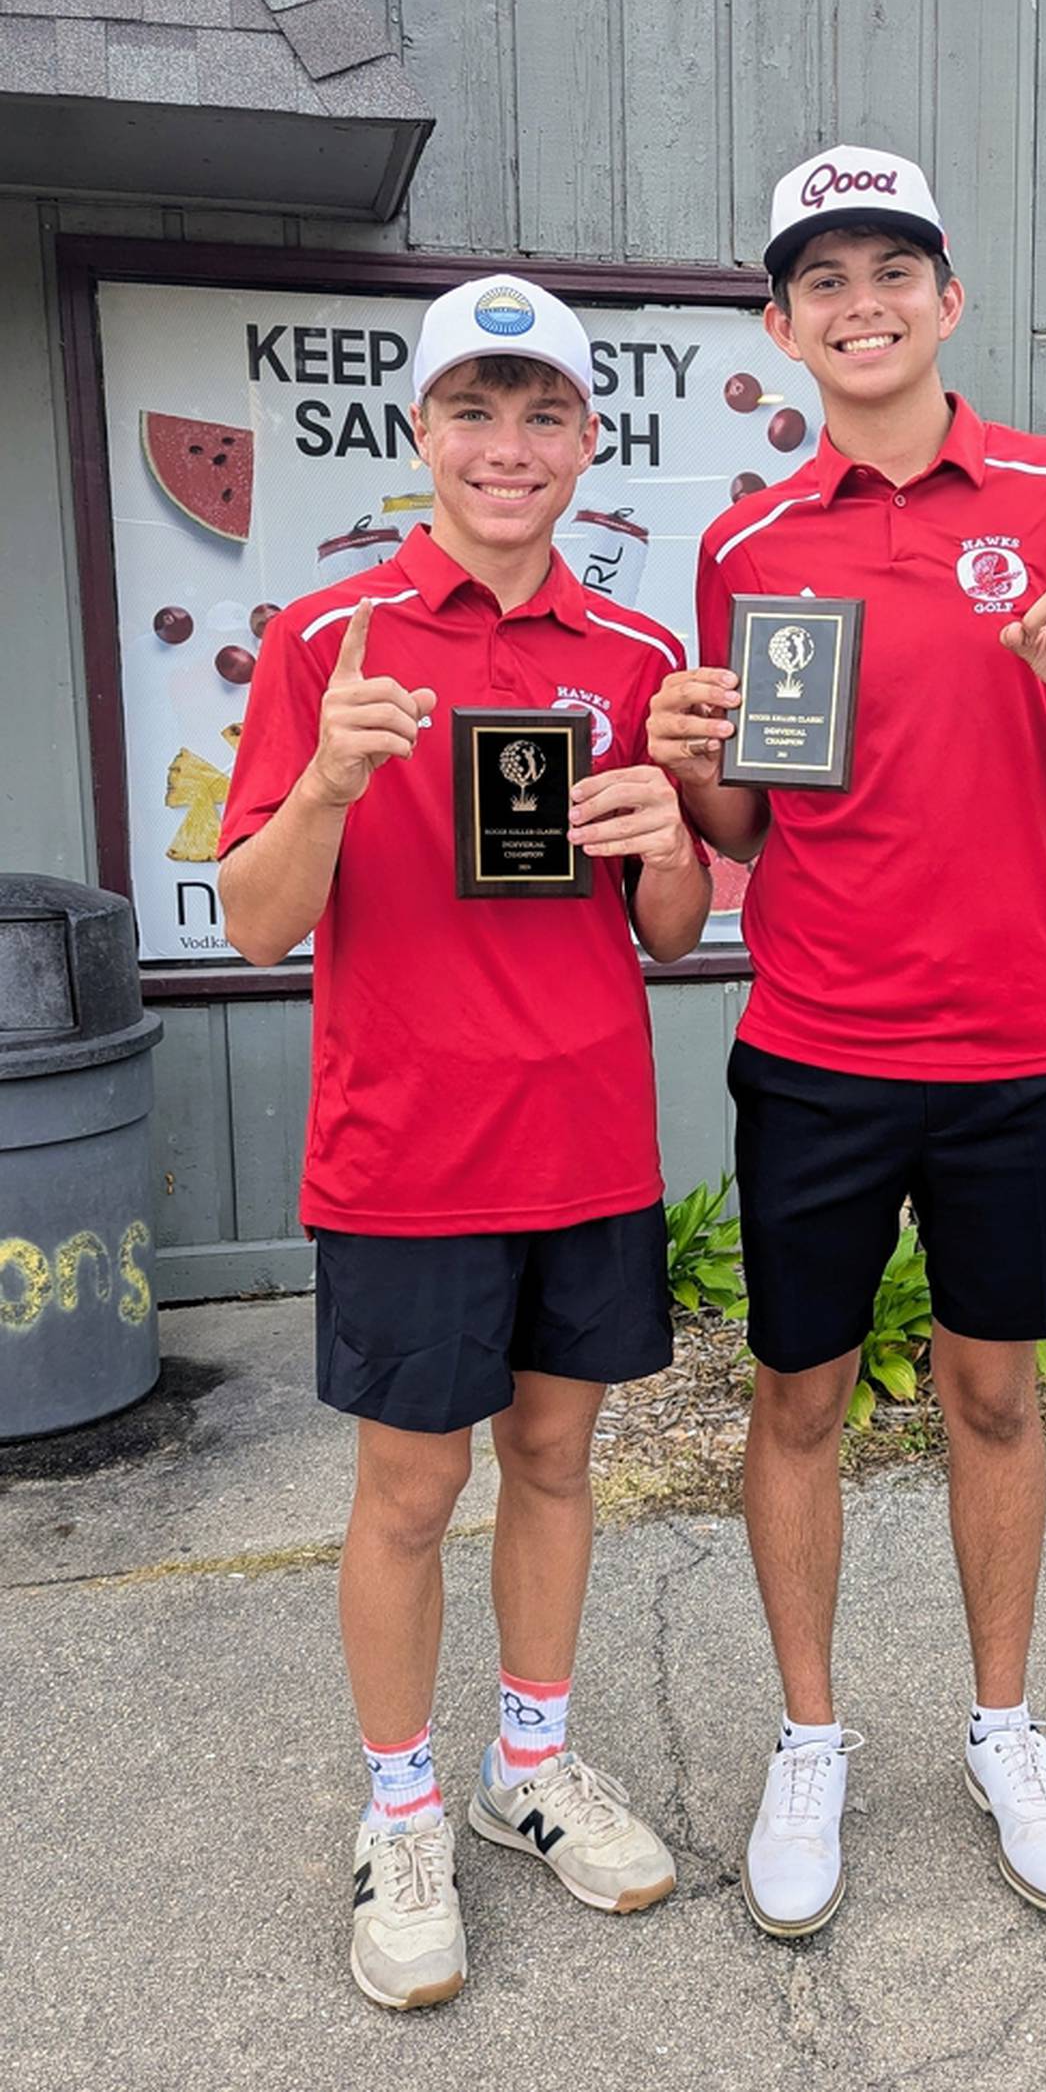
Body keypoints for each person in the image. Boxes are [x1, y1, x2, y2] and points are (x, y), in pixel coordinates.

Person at [649, 147, 1046, 1936]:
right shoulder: (747, 542)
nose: (863, 300)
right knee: (797, 1395)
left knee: (994, 1390)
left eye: (896, 266)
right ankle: (810, 1737)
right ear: (783, 322)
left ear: (949, 297)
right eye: (825, 277)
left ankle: (1003, 1727)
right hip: (814, 1046)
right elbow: (744, 829)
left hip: (1019, 1044)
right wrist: (685, 749)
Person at [219, 276, 710, 2009]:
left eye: (543, 415)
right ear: (419, 432)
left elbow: (667, 928)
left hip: (584, 1137)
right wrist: (333, 785)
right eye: (474, 413)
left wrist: (665, 840)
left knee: (561, 1464)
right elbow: (256, 922)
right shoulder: (322, 641)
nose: (509, 449)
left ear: (587, 441)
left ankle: (527, 1764)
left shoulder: (637, 658)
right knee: (412, 1489)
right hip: (407, 1148)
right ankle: (403, 1804)